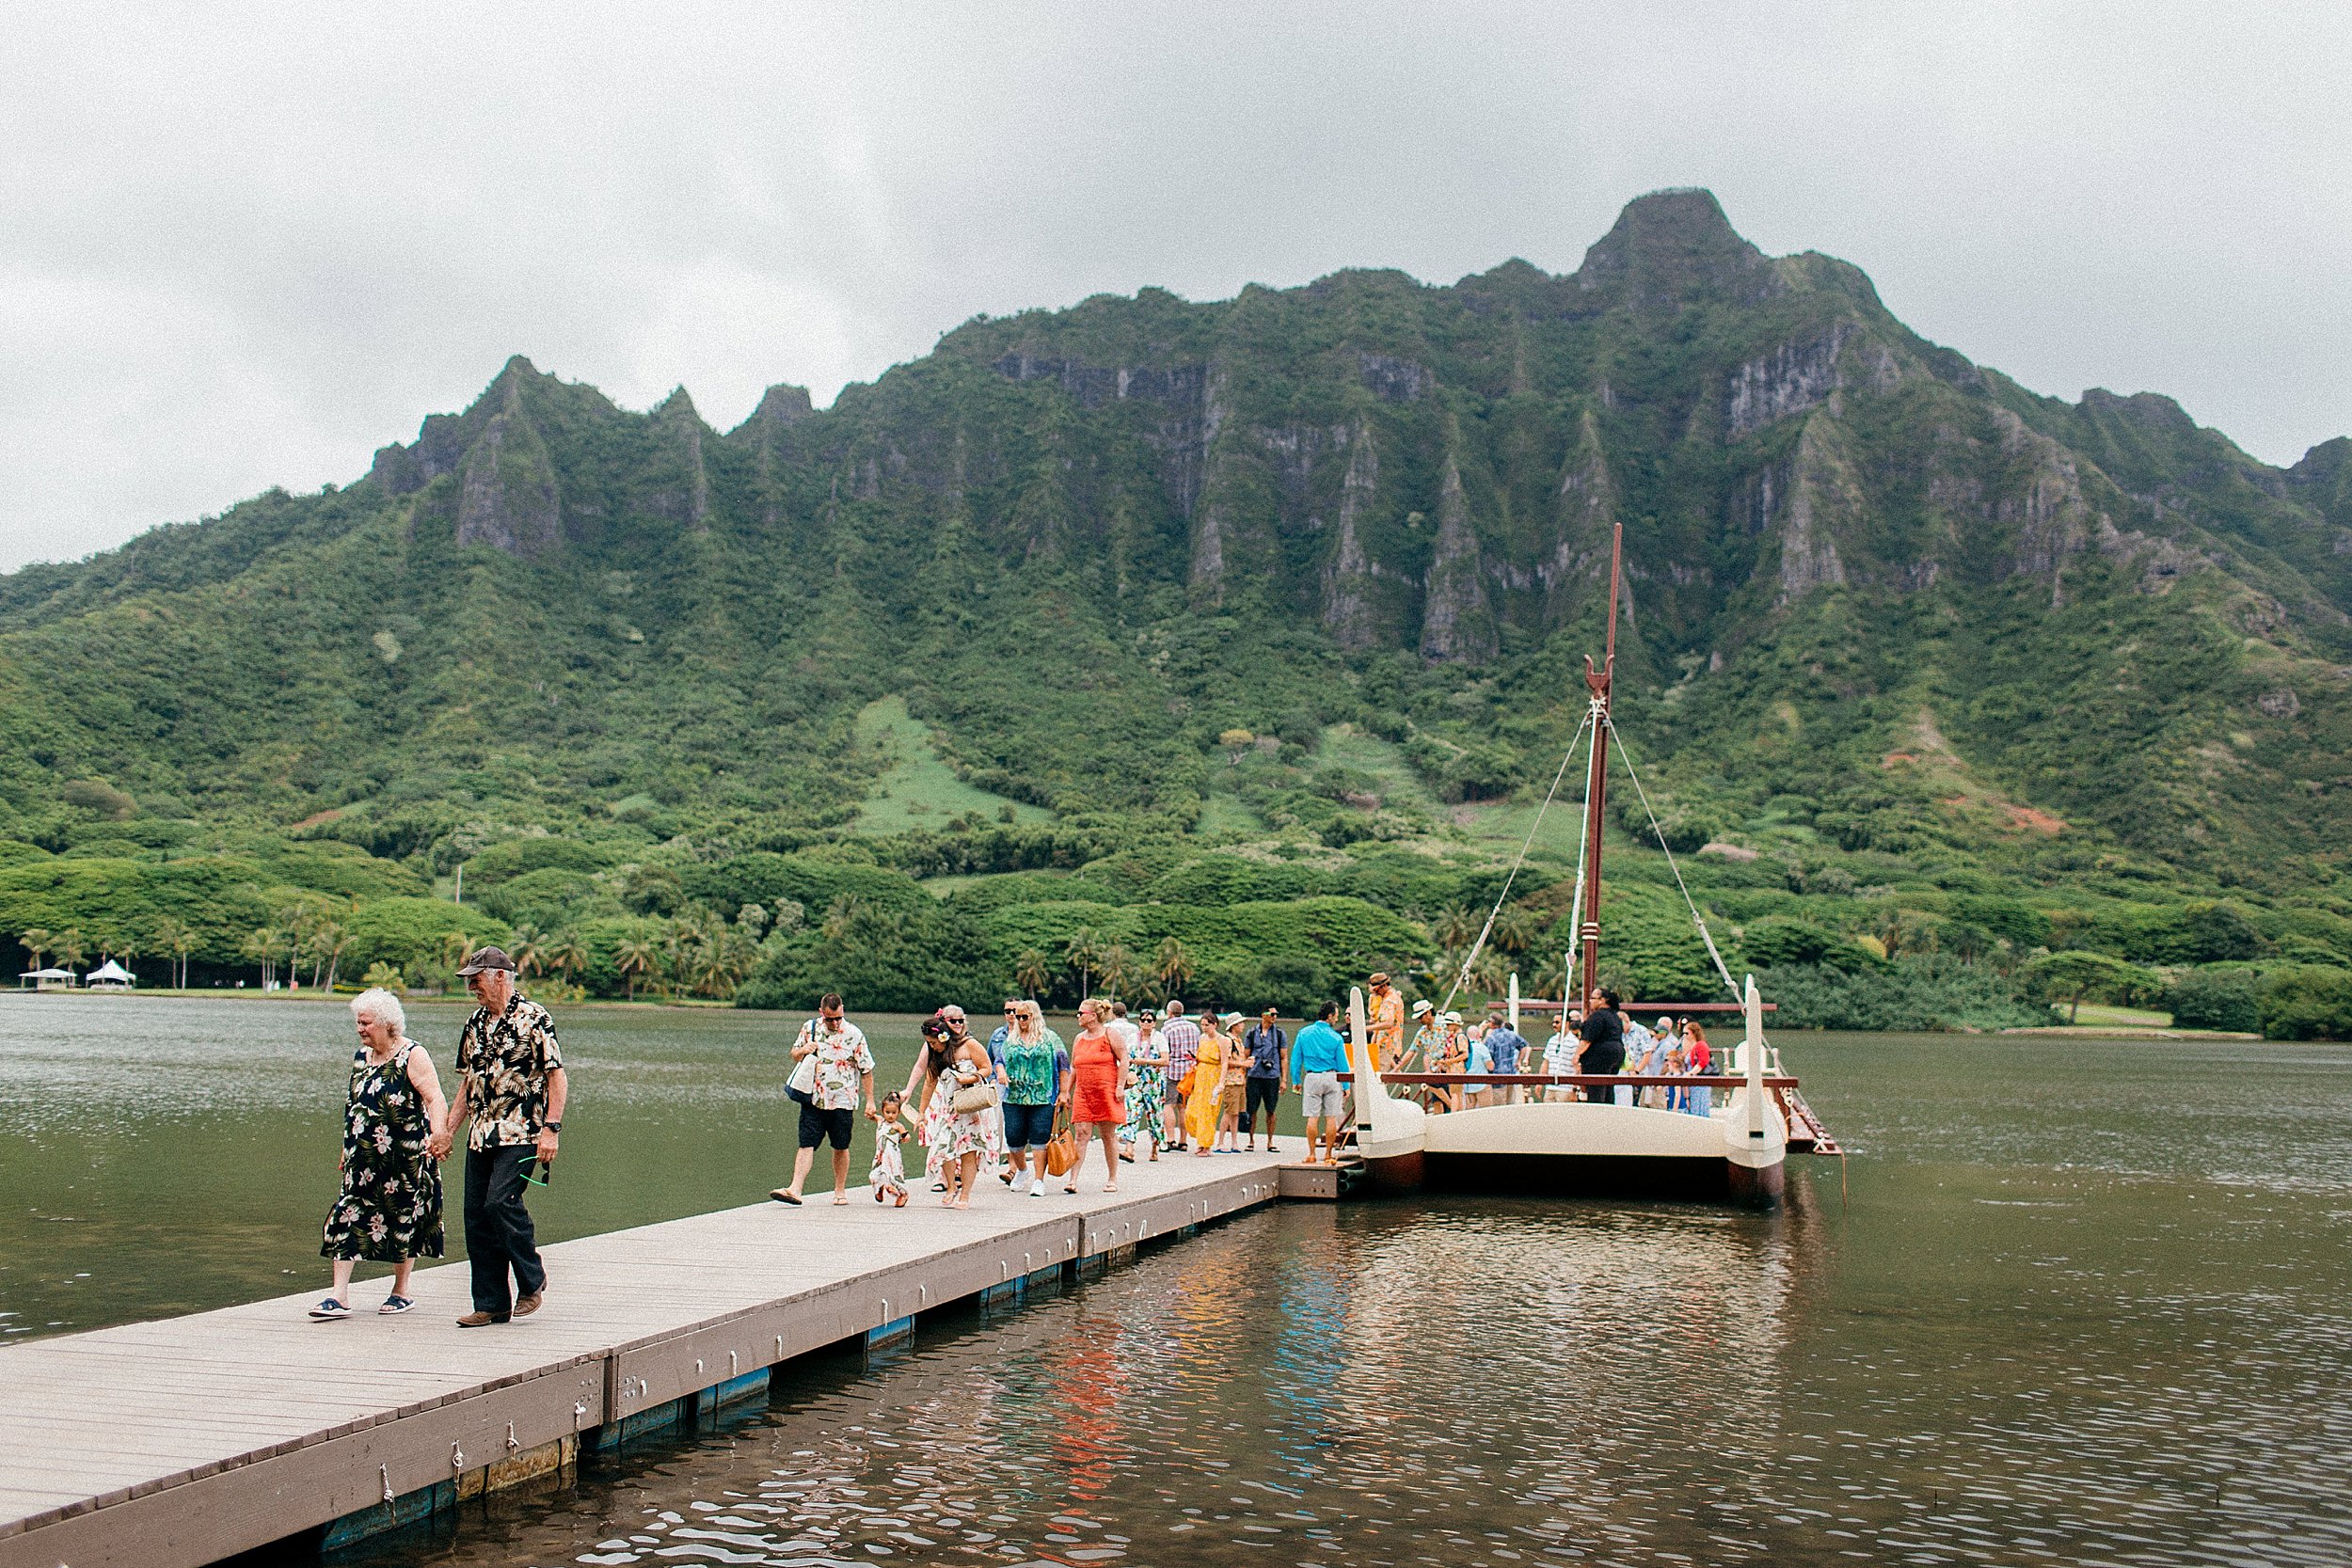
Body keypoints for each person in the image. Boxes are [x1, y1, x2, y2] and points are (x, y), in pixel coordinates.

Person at [431, 945, 567, 1329]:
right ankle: (491, 1304)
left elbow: (556, 1075)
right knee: (476, 1218)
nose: (471, 986)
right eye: (469, 980)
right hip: (481, 1135)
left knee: (499, 1202)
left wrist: (551, 1129)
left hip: (523, 1131)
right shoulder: (474, 1024)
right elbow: (467, 1085)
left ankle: (532, 1278)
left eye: (477, 978)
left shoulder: (535, 1018)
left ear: (501, 976)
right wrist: (447, 1131)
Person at [312, 988, 448, 1320]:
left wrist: (439, 1133)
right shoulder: (361, 1056)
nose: (360, 1028)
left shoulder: (412, 1055)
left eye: (366, 1023)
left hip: (405, 1157)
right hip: (362, 1158)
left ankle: (401, 1292)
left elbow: (434, 1098)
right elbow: (354, 1107)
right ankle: (338, 1296)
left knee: (403, 1218)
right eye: (358, 1022)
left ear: (387, 1024)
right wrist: (347, 1148)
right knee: (346, 1216)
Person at [771, 993, 878, 1207]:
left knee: (840, 1145)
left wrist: (870, 1101)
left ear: (843, 1011)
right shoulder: (810, 1028)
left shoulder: (854, 1034)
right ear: (822, 1013)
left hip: (843, 1099)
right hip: (814, 1098)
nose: (835, 1023)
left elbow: (866, 1070)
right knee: (806, 1143)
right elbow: (794, 1053)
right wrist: (803, 1050)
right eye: (830, 1019)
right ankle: (795, 1188)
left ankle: (839, 1190)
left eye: (838, 1018)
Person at [907, 1013, 999, 1208]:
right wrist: (922, 1113)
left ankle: (965, 1194)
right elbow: (929, 1083)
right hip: (948, 1107)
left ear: (944, 1037)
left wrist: (971, 1077)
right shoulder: (936, 1053)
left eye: (933, 1042)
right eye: (929, 1043)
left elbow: (986, 1068)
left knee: (968, 1151)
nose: (932, 1046)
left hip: (970, 1105)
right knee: (942, 1148)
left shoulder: (969, 1044)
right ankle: (951, 1186)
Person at [996, 1000, 1068, 1196]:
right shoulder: (1011, 1039)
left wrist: (1064, 1092)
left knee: (1039, 1136)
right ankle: (1022, 1170)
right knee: (1013, 1136)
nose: (1019, 1020)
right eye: (1017, 1016)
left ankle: (1038, 1180)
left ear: (1034, 1016)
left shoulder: (1050, 1039)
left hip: (1042, 1096)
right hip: (1014, 1096)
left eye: (1024, 1017)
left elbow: (1064, 1066)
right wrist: (1001, 1072)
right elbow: (999, 1061)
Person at [1063, 998, 1127, 1193]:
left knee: (1108, 1135)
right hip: (1083, 1092)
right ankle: (1073, 1179)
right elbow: (1074, 1067)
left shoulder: (1110, 1034)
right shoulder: (1079, 1038)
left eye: (1081, 1013)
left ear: (1092, 1016)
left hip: (1106, 1090)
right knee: (1081, 1134)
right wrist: (1066, 1091)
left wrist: (1120, 1086)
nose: (1078, 1016)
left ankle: (1112, 1178)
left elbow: (1124, 1058)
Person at [1289, 1000, 1350, 1164]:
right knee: (1331, 1117)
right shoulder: (1336, 1037)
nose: (1337, 1020)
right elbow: (1342, 1064)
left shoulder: (1304, 1033)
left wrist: (1295, 1080)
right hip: (1331, 1077)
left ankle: (1311, 1154)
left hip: (1312, 1077)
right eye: (1336, 1016)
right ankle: (1329, 1154)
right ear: (1330, 1016)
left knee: (1312, 1116)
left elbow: (1295, 1060)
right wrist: (1346, 1085)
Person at [1120, 1008, 1168, 1162]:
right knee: (1131, 1111)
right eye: (1143, 1020)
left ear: (1154, 1023)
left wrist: (1145, 1061)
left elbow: (1165, 1061)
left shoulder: (1159, 1038)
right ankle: (1129, 1149)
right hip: (1136, 1080)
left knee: (1154, 1115)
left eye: (1149, 1020)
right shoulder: (1132, 1037)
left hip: (1153, 1082)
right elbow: (1125, 1057)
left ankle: (1155, 1147)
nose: (1145, 1023)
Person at [1184, 1010, 1228, 1156]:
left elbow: (1224, 1062)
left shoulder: (1222, 1040)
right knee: (1192, 1110)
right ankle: (1200, 1139)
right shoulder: (1202, 1038)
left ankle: (1205, 1145)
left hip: (1213, 1076)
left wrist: (1221, 1082)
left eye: (1207, 1025)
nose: (1204, 1028)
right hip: (1200, 1075)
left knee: (1208, 1112)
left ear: (1215, 1025)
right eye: (1202, 1025)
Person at [1243, 1006, 1286, 1152]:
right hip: (1254, 1075)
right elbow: (1246, 1055)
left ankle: (1270, 1141)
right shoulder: (1252, 1033)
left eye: (1276, 1014)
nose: (1274, 1017)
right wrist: (1244, 1076)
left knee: (1271, 1110)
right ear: (1263, 1015)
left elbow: (1283, 1057)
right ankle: (1251, 1140)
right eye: (1271, 1014)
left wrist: (1284, 1079)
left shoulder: (1279, 1034)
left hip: (1272, 1076)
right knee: (1252, 1110)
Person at [1161, 1001, 1201, 1151]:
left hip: (1172, 1071)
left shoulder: (1167, 1028)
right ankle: (1183, 1141)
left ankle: (1170, 1139)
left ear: (1169, 1012)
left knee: (1168, 1105)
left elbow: (1165, 1050)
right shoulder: (1194, 1028)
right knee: (1183, 1107)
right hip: (1189, 1072)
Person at [1577, 989, 1628, 1106]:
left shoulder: (1598, 1016)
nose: (1590, 1001)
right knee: (1609, 1088)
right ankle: (1608, 1115)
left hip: (1600, 1056)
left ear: (1602, 1000)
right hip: (1617, 1054)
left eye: (1593, 998)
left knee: (1596, 1090)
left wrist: (1577, 1056)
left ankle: (1596, 1117)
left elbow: (1587, 1040)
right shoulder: (1615, 1017)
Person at [868, 1090, 914, 1205]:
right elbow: (872, 1116)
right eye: (887, 1112)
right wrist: (870, 1113)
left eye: (894, 1112)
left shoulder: (898, 1126)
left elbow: (906, 1135)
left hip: (892, 1155)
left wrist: (906, 1137)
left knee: (893, 1176)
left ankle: (903, 1194)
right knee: (874, 1175)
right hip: (880, 1155)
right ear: (883, 1111)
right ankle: (879, 1189)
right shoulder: (880, 1121)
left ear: (898, 1113)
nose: (890, 1115)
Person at [1215, 1011, 1249, 1151]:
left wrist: (1246, 1063)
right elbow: (1226, 1061)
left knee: (1237, 1113)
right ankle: (1221, 1142)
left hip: (1240, 1080)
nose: (1243, 1025)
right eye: (1240, 1023)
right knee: (1229, 1112)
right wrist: (1244, 1064)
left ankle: (1234, 1142)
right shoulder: (1227, 1040)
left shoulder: (1238, 1040)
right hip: (1231, 1081)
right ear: (1233, 1025)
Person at [1483, 1011, 1528, 1106]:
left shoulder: (1491, 1038)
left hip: (1497, 1076)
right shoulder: (1511, 1035)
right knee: (1510, 1103)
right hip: (1511, 1073)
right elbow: (1524, 1046)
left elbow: (1487, 1055)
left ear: (1492, 1023)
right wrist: (1519, 1061)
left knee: (1498, 1105)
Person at [1365, 972, 1404, 1072]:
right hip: (1386, 1044)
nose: (1376, 993)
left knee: (1379, 1078)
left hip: (1386, 1044)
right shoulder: (1393, 996)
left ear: (1384, 986)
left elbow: (1388, 1023)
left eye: (1377, 990)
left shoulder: (1389, 1001)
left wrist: (1366, 1028)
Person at [1541, 1009, 1582, 1102]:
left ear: (1566, 1023)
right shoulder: (1552, 1040)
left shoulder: (1574, 1043)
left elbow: (1578, 1068)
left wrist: (1575, 1089)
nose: (1554, 1025)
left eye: (1557, 1022)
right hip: (1550, 1086)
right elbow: (1546, 1062)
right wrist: (1540, 1082)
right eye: (1553, 1022)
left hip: (1566, 1088)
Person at [1432, 1011, 1469, 1112]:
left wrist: (1449, 1061)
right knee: (1456, 1093)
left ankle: (1453, 1114)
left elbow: (1465, 1054)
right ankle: (1458, 1114)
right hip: (1453, 1069)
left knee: (1455, 1093)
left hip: (1457, 1070)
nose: (1447, 1026)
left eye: (1448, 1024)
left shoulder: (1460, 1036)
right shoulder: (1454, 1036)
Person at [1680, 1020, 1714, 1117]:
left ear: (1693, 1033)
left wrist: (1690, 1073)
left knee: (1699, 1105)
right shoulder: (1690, 1047)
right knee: (1692, 1104)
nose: (1684, 1035)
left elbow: (1703, 1062)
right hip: (1692, 1083)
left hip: (1700, 1081)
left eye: (1687, 1033)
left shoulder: (1701, 1045)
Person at [1463, 1019, 1494, 1110]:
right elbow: (1490, 1066)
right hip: (1482, 1084)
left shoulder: (1463, 1047)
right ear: (1478, 1035)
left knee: (1469, 1112)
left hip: (1467, 1085)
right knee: (1486, 1111)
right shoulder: (1482, 1048)